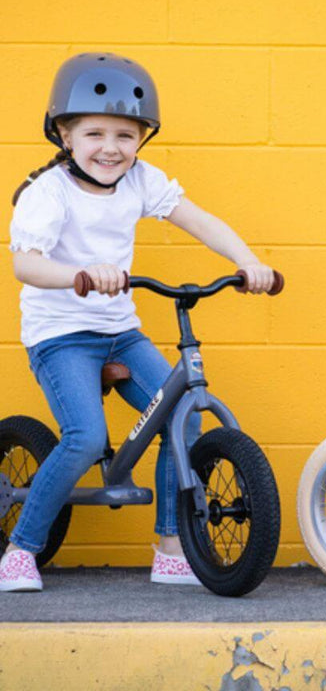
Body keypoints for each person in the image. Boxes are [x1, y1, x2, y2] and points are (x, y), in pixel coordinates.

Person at [0, 52, 277, 592]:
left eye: (126, 135)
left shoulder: (140, 181)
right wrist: (80, 274)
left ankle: (171, 548)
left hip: (119, 332)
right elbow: (23, 262)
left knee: (186, 420)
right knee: (84, 437)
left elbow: (198, 219)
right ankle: (20, 549)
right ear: (64, 135)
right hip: (61, 336)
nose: (111, 147)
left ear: (142, 139)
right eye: (95, 133)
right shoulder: (47, 193)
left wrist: (248, 263)